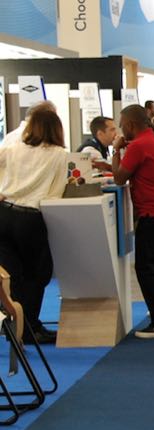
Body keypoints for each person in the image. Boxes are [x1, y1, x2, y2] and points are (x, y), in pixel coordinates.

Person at [112, 105, 154, 339]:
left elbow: (119, 178)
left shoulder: (139, 145)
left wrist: (115, 152)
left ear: (131, 124)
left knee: (146, 267)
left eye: (122, 125)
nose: (121, 129)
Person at [0, 110, 68, 344]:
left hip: (4, 213)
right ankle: (29, 327)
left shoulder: (12, 147)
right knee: (37, 275)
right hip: (30, 218)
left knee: (12, 275)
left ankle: (15, 326)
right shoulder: (59, 154)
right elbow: (55, 193)